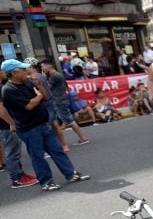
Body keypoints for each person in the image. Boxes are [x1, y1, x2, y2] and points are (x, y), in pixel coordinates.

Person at [0, 59, 89, 191]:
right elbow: (29, 105)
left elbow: (46, 97)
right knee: (37, 156)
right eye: (23, 70)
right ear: (14, 73)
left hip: (43, 123)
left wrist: (40, 85)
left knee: (57, 150)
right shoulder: (8, 89)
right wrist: (39, 96)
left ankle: (71, 174)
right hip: (28, 128)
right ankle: (46, 181)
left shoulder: (28, 83)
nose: (27, 72)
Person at [0, 67, 38, 188]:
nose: (3, 72)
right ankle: (16, 179)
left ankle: (20, 174)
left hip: (7, 124)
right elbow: (1, 109)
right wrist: (11, 123)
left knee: (14, 151)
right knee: (12, 152)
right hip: (5, 125)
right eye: (1, 71)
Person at [40, 60, 90, 145]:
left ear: (49, 66)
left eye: (43, 66)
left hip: (59, 101)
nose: (42, 68)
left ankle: (83, 138)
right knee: (56, 121)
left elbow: (47, 88)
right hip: (60, 100)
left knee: (68, 120)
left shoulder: (54, 76)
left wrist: (43, 78)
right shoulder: (57, 75)